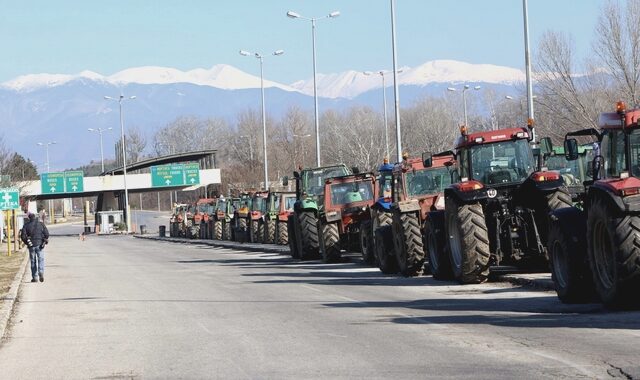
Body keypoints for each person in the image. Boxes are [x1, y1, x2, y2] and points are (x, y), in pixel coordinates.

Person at [20, 213, 49, 283]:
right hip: (40, 245)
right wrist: (44, 240)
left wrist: (27, 243)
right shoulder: (41, 224)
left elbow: (23, 237)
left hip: (31, 246)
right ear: (35, 217)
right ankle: (41, 272)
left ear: (29, 218)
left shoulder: (26, 225)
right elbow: (47, 234)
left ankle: (35, 277)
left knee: (33, 261)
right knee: (41, 259)